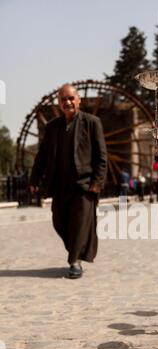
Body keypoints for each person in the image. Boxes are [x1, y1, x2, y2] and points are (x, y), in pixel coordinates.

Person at [29, 84, 107, 279]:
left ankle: (75, 261)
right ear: (59, 102)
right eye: (63, 99)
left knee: (80, 224)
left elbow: (101, 156)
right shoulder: (52, 127)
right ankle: (76, 251)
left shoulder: (92, 123)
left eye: (71, 98)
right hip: (60, 187)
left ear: (78, 100)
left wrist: (97, 183)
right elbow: (42, 156)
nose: (68, 102)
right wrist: (34, 178)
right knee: (59, 222)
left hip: (84, 186)